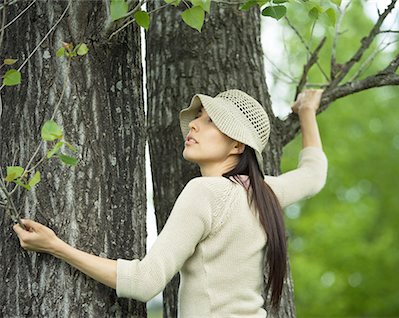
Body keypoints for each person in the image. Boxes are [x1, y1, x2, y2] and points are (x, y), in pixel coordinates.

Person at [13, 89, 327, 317]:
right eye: (197, 118)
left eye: (210, 121)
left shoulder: (204, 192)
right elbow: (314, 174)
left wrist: (55, 246)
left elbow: (144, 282)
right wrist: (307, 111)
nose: (193, 125)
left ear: (237, 144)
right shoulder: (266, 192)